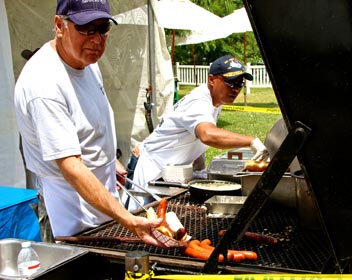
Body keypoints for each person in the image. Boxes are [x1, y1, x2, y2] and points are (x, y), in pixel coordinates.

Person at [14, 0, 166, 247]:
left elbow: (89, 122)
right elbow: (71, 166)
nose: (96, 40)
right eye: (86, 28)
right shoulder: (44, 84)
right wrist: (126, 217)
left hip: (103, 209)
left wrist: (108, 160)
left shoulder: (86, 63)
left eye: (103, 28)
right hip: (71, 218)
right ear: (59, 25)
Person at [129, 55, 269, 208]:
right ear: (211, 80)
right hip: (149, 168)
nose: (235, 88)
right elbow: (207, 135)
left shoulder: (214, 101)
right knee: (142, 220)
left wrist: (200, 171)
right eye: (230, 82)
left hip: (167, 171)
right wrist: (251, 141)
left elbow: (194, 138)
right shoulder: (199, 102)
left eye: (239, 83)